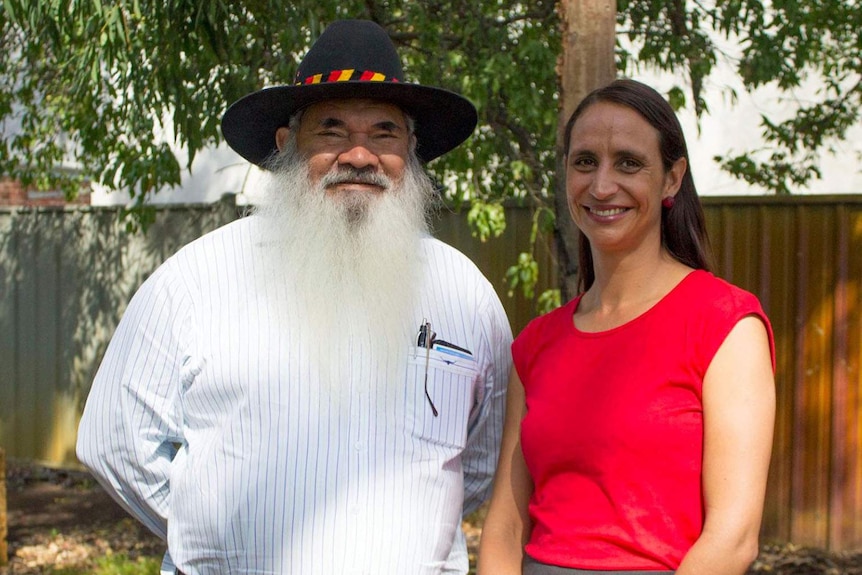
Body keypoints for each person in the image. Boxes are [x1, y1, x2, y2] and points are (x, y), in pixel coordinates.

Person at [76, 19, 512, 575]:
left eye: (384, 133)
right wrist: (219, 533)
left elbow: (484, 458)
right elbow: (115, 442)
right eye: (331, 131)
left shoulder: (464, 293)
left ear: (411, 150)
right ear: (287, 145)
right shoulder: (196, 279)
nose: (360, 155)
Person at [478, 78, 775, 575]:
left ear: (672, 179)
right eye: (584, 162)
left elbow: (734, 537)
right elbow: (504, 529)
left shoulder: (725, 324)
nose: (601, 186)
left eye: (629, 163)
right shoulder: (535, 344)